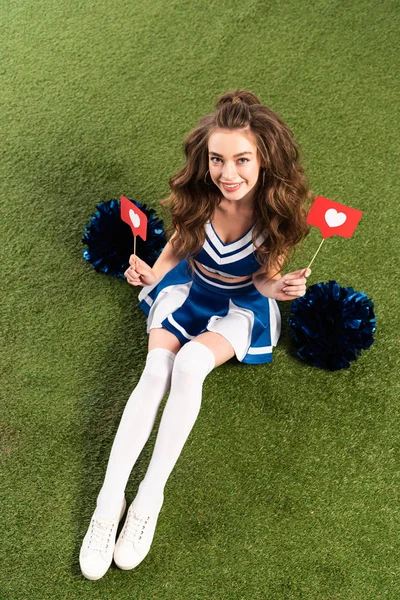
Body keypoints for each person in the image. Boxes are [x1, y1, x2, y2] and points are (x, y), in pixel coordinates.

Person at [79, 89, 313, 580]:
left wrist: (283, 288)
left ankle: (149, 499)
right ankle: (108, 501)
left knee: (188, 365)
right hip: (191, 291)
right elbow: (178, 246)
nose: (228, 173)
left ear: (265, 159)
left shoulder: (277, 215)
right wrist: (152, 275)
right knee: (155, 368)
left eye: (242, 159)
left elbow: (265, 280)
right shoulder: (201, 199)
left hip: (241, 306)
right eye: (217, 159)